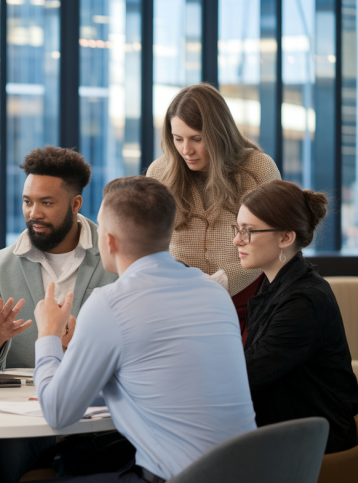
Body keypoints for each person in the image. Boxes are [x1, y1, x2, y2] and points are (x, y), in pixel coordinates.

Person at [33, 176, 257, 482]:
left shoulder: (110, 303)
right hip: (248, 470)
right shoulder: (214, 291)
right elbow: (159, 379)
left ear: (108, 241)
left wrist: (47, 334)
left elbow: (58, 413)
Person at [0, 146, 117, 483]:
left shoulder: (113, 255)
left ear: (75, 205)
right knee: (13, 444)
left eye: (46, 203)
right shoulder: (2, 264)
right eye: (27, 201)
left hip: (96, 411)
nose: (33, 212)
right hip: (26, 413)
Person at [147, 83, 280, 341]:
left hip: (249, 303)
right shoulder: (158, 173)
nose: (186, 150)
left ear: (220, 133)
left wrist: (220, 281)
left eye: (197, 139)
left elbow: (272, 245)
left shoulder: (259, 170)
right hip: (179, 305)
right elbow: (151, 246)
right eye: (178, 139)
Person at [235, 180, 358, 454]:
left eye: (249, 231)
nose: (237, 240)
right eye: (238, 229)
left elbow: (245, 374)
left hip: (315, 444)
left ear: (286, 238)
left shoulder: (304, 300)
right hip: (286, 430)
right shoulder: (273, 284)